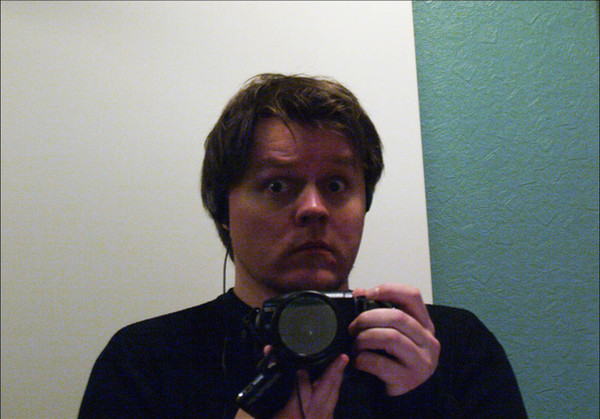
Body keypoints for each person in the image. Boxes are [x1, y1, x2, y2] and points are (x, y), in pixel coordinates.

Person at [79, 74, 527, 418]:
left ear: (365, 202)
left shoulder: (449, 347)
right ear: (222, 208)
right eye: (277, 185)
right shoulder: (146, 362)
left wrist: (425, 401)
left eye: (336, 185)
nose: (314, 209)